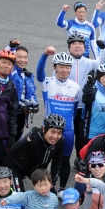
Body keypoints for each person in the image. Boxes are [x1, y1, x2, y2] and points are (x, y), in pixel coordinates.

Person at [35, 48, 80, 191]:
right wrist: (44, 55)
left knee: (64, 160)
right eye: (61, 66)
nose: (64, 70)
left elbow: (75, 108)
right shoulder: (47, 82)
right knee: (43, 160)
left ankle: (61, 188)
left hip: (67, 130)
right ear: (55, 68)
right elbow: (39, 72)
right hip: (48, 128)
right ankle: (41, 186)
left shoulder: (75, 87)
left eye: (67, 67)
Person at [5, 114, 65, 193]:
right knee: (20, 198)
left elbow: (57, 162)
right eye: (52, 131)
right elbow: (12, 150)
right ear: (44, 129)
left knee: (51, 194)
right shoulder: (35, 136)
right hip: (16, 166)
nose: (55, 136)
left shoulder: (60, 141)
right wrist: (28, 139)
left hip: (35, 169)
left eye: (59, 133)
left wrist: (52, 181)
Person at [80, 63, 105, 144]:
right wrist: (88, 87)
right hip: (91, 135)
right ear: (98, 78)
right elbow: (86, 100)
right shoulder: (93, 91)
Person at [8, 42, 39, 138]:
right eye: (20, 57)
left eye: (25, 57)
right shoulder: (11, 71)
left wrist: (34, 102)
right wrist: (11, 47)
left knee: (17, 139)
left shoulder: (28, 75)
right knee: (8, 142)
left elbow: (32, 93)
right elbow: (7, 56)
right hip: (9, 114)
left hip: (22, 114)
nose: (23, 60)